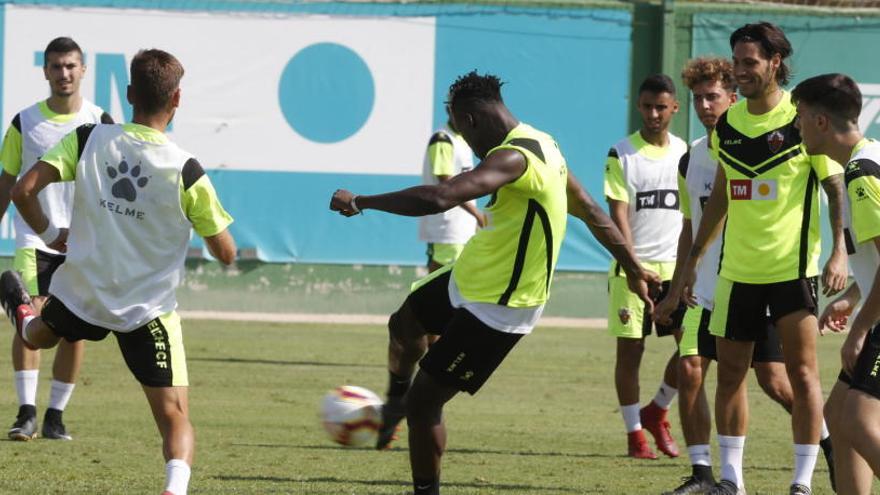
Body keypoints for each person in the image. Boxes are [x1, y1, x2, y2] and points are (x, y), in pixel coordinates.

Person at [330, 70, 658, 495]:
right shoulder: (544, 142)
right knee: (404, 323)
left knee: (425, 402)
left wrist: (360, 202)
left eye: (463, 133)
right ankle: (393, 400)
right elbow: (592, 210)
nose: (466, 144)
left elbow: (440, 197)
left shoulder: (515, 158)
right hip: (470, 277)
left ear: (468, 120)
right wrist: (633, 266)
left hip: (502, 305)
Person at [0, 49, 235, 495]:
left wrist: (51, 233)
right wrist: (198, 222)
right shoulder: (186, 169)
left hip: (81, 293)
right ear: (178, 99)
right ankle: (174, 489)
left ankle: (19, 309)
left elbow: (22, 189)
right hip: (144, 310)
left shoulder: (90, 138)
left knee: (37, 336)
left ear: (129, 94)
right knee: (175, 418)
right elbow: (225, 253)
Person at [675, 22, 848, 495]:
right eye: (737, 63)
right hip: (735, 275)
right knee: (730, 374)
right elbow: (723, 195)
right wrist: (693, 261)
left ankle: (801, 482)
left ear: (775, 62)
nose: (741, 71)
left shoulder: (803, 118)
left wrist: (838, 251)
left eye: (750, 62)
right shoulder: (727, 125)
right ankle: (732, 481)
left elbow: (835, 188)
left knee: (802, 375)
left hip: (791, 271)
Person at [0, 36, 113, 441]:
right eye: (55, 66)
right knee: (30, 317)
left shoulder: (101, 122)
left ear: (83, 70)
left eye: (70, 66)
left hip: (82, 242)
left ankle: (55, 416)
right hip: (36, 237)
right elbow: (8, 181)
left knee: (73, 328)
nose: (63, 73)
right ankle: (26, 412)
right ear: (45, 71)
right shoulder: (24, 122)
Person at [797, 74, 879, 495]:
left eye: (800, 118)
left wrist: (860, 329)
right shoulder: (867, 161)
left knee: (860, 420)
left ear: (820, 122)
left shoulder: (862, 174)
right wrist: (852, 297)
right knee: (838, 415)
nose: (797, 127)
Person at [603, 74, 687, 459]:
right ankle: (635, 435)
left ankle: (658, 409)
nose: (654, 114)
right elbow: (617, 215)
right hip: (633, 269)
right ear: (638, 106)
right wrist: (634, 268)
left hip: (676, 270)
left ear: (674, 108)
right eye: (647, 106)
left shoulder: (685, 153)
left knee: (692, 352)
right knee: (630, 353)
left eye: (661, 107)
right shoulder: (621, 153)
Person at [418, 106, 483, 273]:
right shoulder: (442, 139)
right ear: (449, 111)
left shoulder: (462, 138)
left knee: (458, 277)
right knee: (438, 279)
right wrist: (476, 213)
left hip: (462, 225)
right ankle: (425, 300)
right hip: (445, 225)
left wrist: (472, 219)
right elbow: (447, 185)